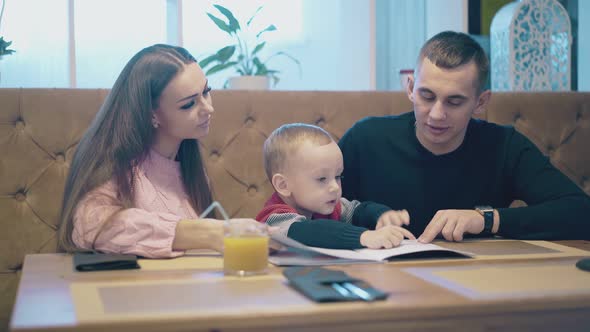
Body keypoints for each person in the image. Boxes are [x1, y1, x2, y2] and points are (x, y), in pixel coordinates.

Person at [339, 31, 590, 243]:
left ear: (481, 102)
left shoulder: (504, 146)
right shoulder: (365, 139)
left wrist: (487, 219)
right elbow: (309, 211)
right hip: (380, 284)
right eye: (427, 96)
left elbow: (580, 211)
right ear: (410, 88)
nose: (437, 114)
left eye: (454, 102)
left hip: (477, 283)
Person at [57, 44, 262, 258]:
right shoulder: (118, 167)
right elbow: (88, 223)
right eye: (189, 104)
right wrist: (209, 232)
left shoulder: (190, 167)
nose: (208, 108)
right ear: (151, 114)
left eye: (206, 92)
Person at [256, 123, 415, 249]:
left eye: (338, 176)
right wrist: (364, 236)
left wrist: (381, 216)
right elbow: (310, 231)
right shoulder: (275, 219)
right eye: (321, 178)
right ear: (283, 185)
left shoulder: (326, 205)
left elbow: (358, 210)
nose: (334, 187)